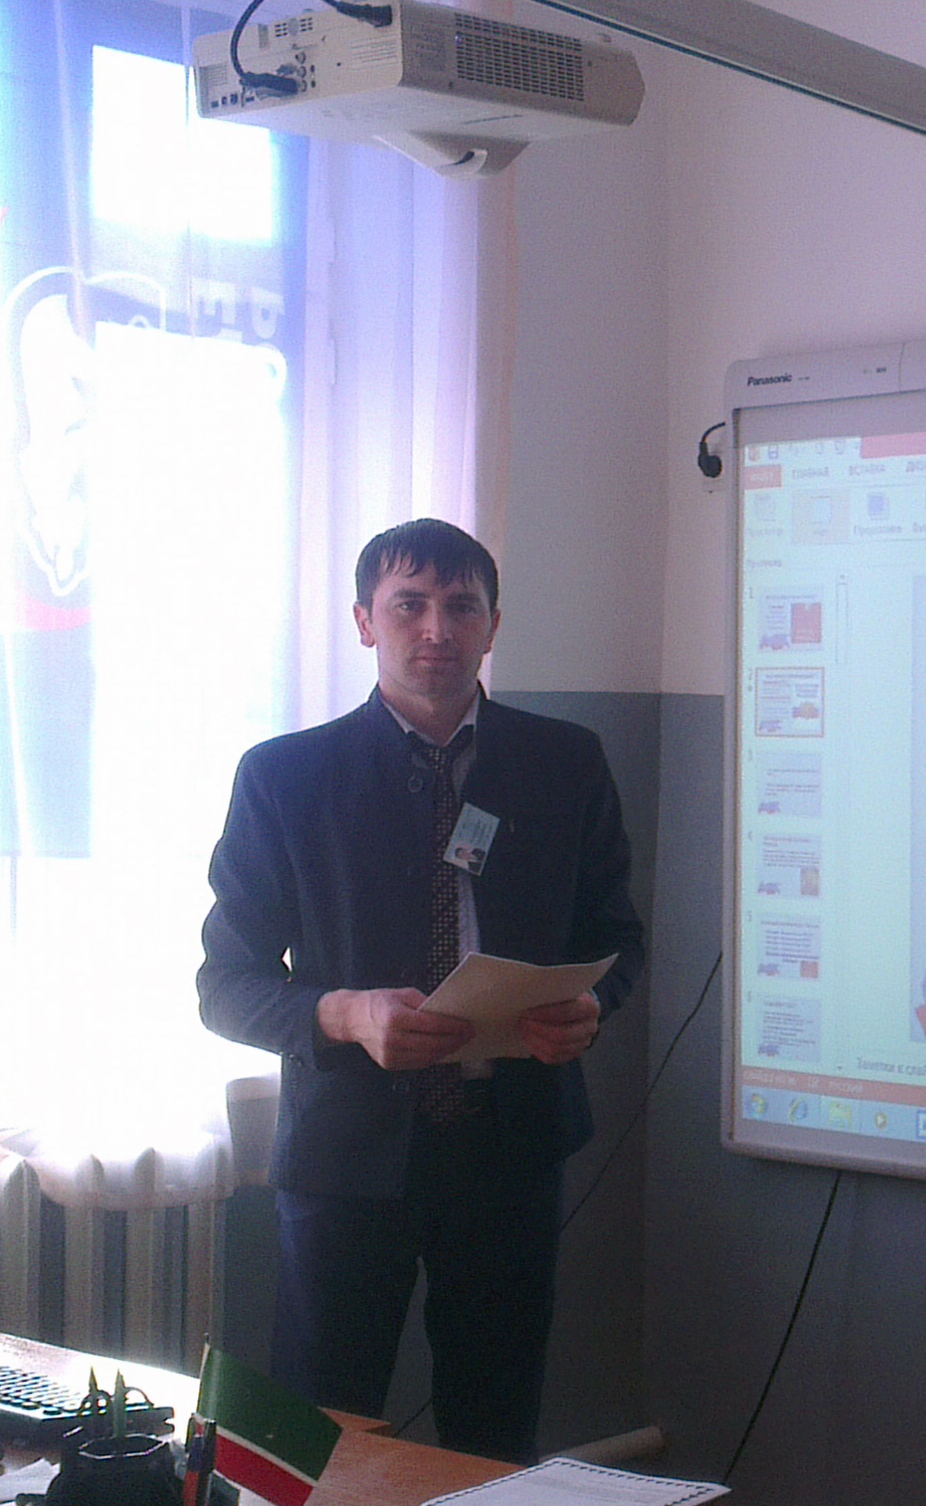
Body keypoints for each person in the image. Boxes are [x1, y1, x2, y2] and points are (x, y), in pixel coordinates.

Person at [196, 518, 645, 1463]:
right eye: (409, 605)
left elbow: (618, 938)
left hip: (511, 1150)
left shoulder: (565, 763)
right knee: (317, 1438)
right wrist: (343, 1013)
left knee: (494, 1430)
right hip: (347, 1156)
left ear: (492, 626)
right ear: (365, 622)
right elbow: (225, 984)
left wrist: (592, 1007)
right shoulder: (285, 777)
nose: (436, 630)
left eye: (461, 607)